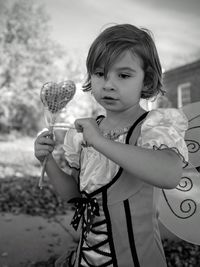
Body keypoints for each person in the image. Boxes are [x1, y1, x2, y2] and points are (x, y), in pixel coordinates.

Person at [34, 24, 188, 267]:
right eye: (99, 73)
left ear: (146, 81)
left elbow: (170, 174)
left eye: (123, 75)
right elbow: (75, 196)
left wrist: (100, 141)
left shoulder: (152, 127)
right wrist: (47, 161)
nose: (108, 84)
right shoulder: (83, 135)